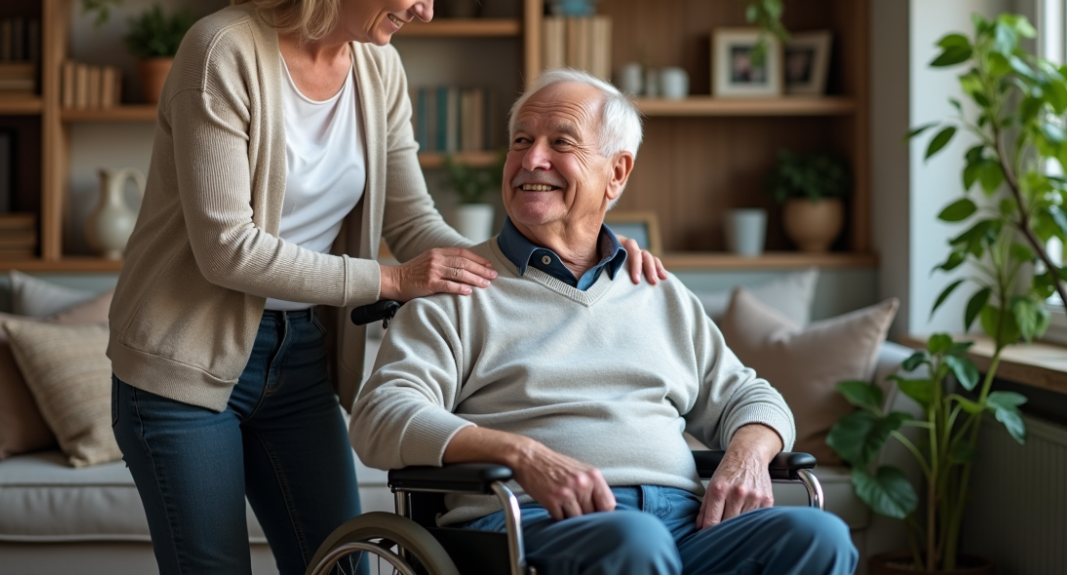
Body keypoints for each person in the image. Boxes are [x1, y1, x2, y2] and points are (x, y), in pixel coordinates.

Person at [107, 0, 665, 575]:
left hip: (300, 356)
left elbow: (413, 218)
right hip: (181, 364)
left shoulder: (379, 69)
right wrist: (395, 281)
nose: (426, 8)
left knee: (350, 563)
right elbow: (229, 252)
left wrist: (583, 258)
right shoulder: (223, 51)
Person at [350, 69, 858, 575]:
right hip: (530, 523)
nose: (531, 159)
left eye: (561, 143)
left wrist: (747, 453)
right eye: (521, 141)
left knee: (819, 537)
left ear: (616, 173)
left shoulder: (657, 291)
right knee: (632, 544)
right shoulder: (458, 290)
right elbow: (381, 413)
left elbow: (753, 397)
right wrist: (523, 454)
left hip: (685, 526)